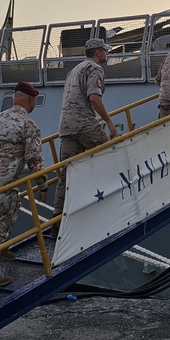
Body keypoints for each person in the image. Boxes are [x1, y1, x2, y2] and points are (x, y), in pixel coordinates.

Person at [0, 82, 47, 292]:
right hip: (4, 180)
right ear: (31, 100)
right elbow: (34, 159)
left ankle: (0, 248)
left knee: (11, 206)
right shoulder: (27, 124)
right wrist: (43, 185)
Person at [54, 38, 117, 238]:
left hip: (66, 127)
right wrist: (108, 122)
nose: (107, 54)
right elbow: (94, 97)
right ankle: (115, 208)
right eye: (105, 51)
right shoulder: (95, 69)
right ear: (98, 52)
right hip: (84, 124)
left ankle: (57, 225)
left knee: (67, 175)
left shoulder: (73, 70)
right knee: (111, 156)